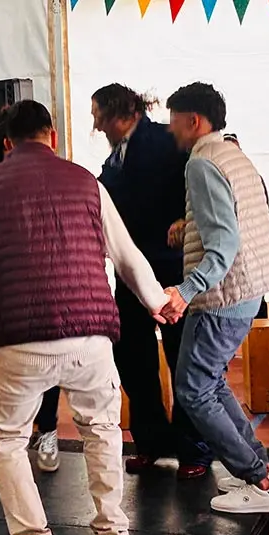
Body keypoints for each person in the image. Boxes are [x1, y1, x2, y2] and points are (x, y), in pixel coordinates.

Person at [0, 100, 169, 535]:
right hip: (90, 336)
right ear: (52, 137)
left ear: (8, 143)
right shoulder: (88, 182)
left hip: (20, 341)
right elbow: (126, 254)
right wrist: (157, 301)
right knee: (103, 432)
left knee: (6, 439)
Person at [162, 82, 269, 514]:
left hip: (222, 296)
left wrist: (185, 291)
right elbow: (262, 222)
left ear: (193, 120)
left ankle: (260, 482)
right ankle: (259, 468)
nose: (170, 129)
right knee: (210, 382)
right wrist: (191, 225)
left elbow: (224, 243)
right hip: (248, 290)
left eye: (174, 120)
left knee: (193, 390)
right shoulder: (235, 155)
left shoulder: (201, 163)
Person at [91, 83, 211, 477]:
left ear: (119, 113)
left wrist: (187, 219)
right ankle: (151, 441)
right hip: (129, 273)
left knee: (182, 358)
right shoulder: (113, 159)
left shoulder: (168, 140)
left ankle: (194, 449)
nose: (95, 125)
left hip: (170, 269)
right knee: (132, 357)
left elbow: (204, 179)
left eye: (98, 116)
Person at [0, 110, 62, 473]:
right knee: (13, 369)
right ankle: (18, 434)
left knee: (48, 361)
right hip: (6, 294)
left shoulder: (55, 179)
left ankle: (47, 430)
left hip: (45, 289)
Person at [222, 133, 269, 319]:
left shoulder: (254, 176)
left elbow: (267, 212)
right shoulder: (216, 178)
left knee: (257, 296)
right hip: (231, 253)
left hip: (254, 248)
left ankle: (260, 334)